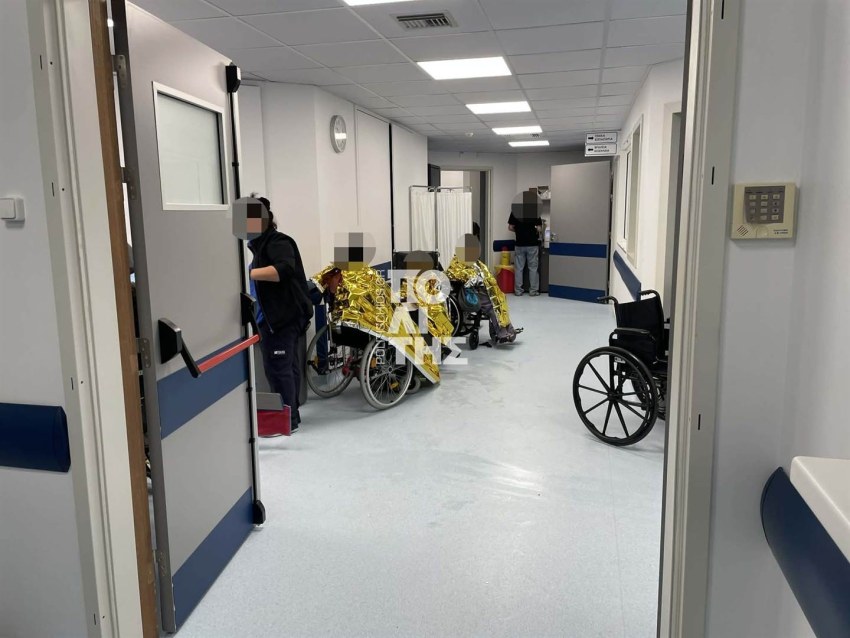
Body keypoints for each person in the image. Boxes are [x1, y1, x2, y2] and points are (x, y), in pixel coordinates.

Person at [248, 197, 312, 432]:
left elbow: (283, 269)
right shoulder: (260, 246)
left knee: (279, 369)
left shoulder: (278, 242)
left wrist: (248, 273)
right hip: (274, 318)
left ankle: (288, 421)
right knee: (286, 367)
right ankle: (291, 415)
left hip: (282, 319)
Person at [508, 194, 542, 297]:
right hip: (532, 244)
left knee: (518, 268)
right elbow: (539, 228)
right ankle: (533, 291)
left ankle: (518, 291)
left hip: (519, 244)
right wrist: (534, 230)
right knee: (533, 268)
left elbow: (510, 227)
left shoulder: (515, 211)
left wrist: (519, 231)